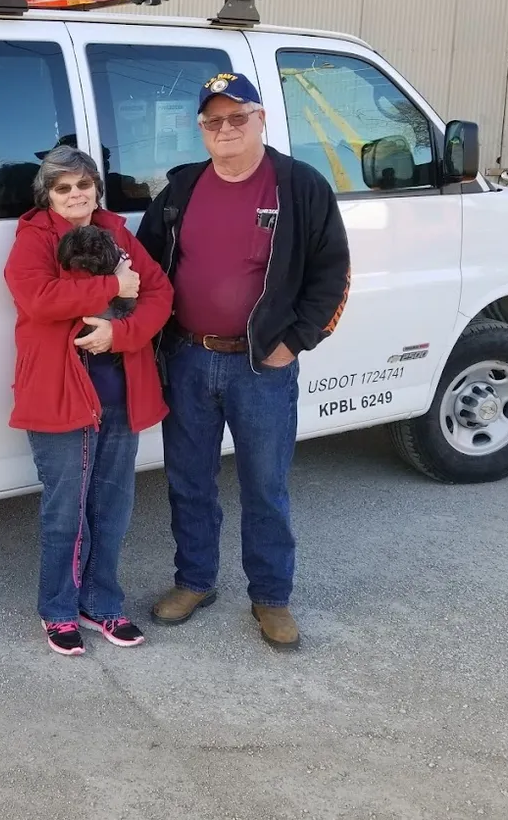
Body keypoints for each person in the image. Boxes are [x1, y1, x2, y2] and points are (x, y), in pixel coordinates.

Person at [135, 73, 350, 651]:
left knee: (265, 485)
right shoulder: (181, 189)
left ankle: (272, 597)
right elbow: (147, 265)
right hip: (187, 358)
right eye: (213, 121)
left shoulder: (299, 186)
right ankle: (195, 581)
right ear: (201, 130)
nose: (225, 129)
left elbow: (333, 275)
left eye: (237, 118)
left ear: (260, 120)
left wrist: (295, 342)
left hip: (262, 366)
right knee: (188, 481)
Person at [4, 145, 174, 656]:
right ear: (47, 195)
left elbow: (159, 293)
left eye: (83, 185)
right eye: (63, 187)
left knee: (113, 504)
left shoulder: (119, 233)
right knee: (65, 510)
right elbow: (38, 299)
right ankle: (58, 610)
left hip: (120, 385)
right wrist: (113, 284)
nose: (75, 194)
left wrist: (118, 335)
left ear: (96, 187)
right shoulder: (32, 240)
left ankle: (101, 603)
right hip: (61, 389)